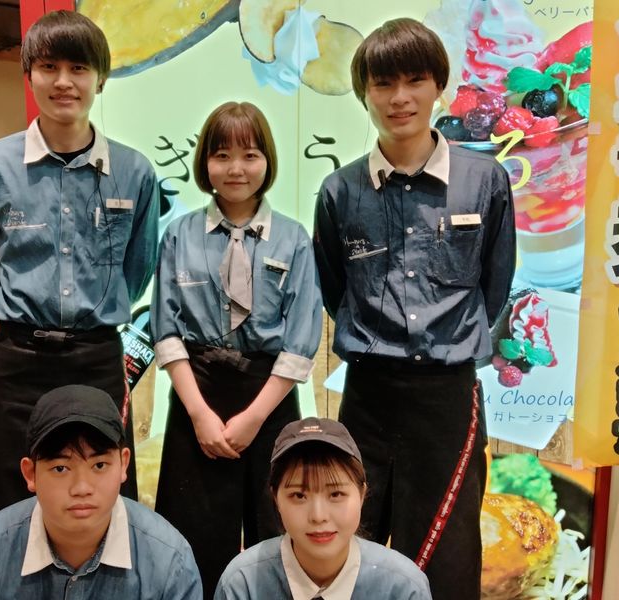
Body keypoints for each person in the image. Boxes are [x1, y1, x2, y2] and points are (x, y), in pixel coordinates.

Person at [313, 18, 515, 600]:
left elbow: (494, 286)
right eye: (383, 83)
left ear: (438, 87)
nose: (399, 98)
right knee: (349, 545)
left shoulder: (485, 181)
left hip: (448, 396)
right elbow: (335, 289)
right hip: (367, 394)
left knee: (447, 553)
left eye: (414, 80)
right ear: (364, 94)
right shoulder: (340, 192)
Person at [0, 10, 158, 524]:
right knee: (8, 500)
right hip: (19, 359)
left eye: (79, 68)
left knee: (101, 497)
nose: (64, 81)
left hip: (97, 359)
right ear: (29, 75)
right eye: (49, 67)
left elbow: (137, 272)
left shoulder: (135, 172)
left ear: (101, 79)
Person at [150, 101, 323, 598]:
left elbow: (300, 340)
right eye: (222, 155)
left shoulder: (293, 238)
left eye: (249, 155)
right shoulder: (180, 235)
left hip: (268, 398)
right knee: (193, 532)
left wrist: (254, 418)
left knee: (275, 533)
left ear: (267, 160)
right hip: (197, 395)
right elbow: (166, 331)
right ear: (204, 161)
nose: (235, 169)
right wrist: (199, 414)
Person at [0, 385, 202, 600]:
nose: (81, 488)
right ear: (30, 474)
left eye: (99, 466)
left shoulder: (170, 561)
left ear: (124, 464)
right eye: (60, 468)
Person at [214, 417, 432, 599]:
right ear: (276, 499)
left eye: (336, 494)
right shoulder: (243, 584)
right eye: (299, 495)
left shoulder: (404, 588)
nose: (318, 516)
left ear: (362, 494)